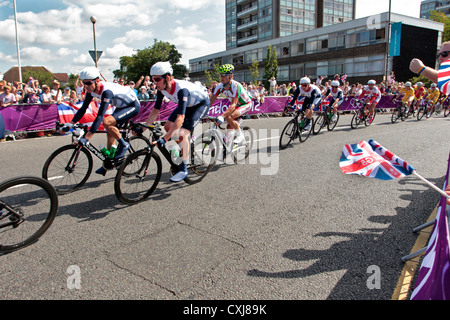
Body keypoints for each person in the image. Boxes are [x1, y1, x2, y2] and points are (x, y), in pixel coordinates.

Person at [62, 66, 140, 176]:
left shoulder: (106, 91)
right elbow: (83, 109)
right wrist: (70, 123)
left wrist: (87, 137)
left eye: (88, 83)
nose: (86, 86)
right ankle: (108, 164)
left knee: (107, 122)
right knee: (110, 134)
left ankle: (123, 144)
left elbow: (100, 116)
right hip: (121, 106)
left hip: (132, 105)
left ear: (97, 81)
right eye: (84, 83)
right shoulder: (90, 91)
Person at [142, 61, 210, 182]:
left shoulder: (181, 90)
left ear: (167, 77)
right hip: (187, 104)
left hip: (200, 104)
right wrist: (143, 128)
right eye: (153, 80)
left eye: (157, 79)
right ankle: (185, 147)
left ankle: (184, 167)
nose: (154, 83)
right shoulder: (161, 88)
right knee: (168, 127)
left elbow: (180, 119)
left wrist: (165, 139)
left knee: (182, 134)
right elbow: (155, 110)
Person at [209, 64, 253, 145]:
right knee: (228, 129)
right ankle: (228, 147)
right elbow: (211, 100)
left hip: (245, 104)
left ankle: (240, 136)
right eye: (221, 75)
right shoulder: (219, 86)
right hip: (236, 106)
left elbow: (233, 105)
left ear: (231, 76)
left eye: (224, 75)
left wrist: (222, 116)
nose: (222, 78)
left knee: (228, 117)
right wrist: (203, 111)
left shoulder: (235, 86)